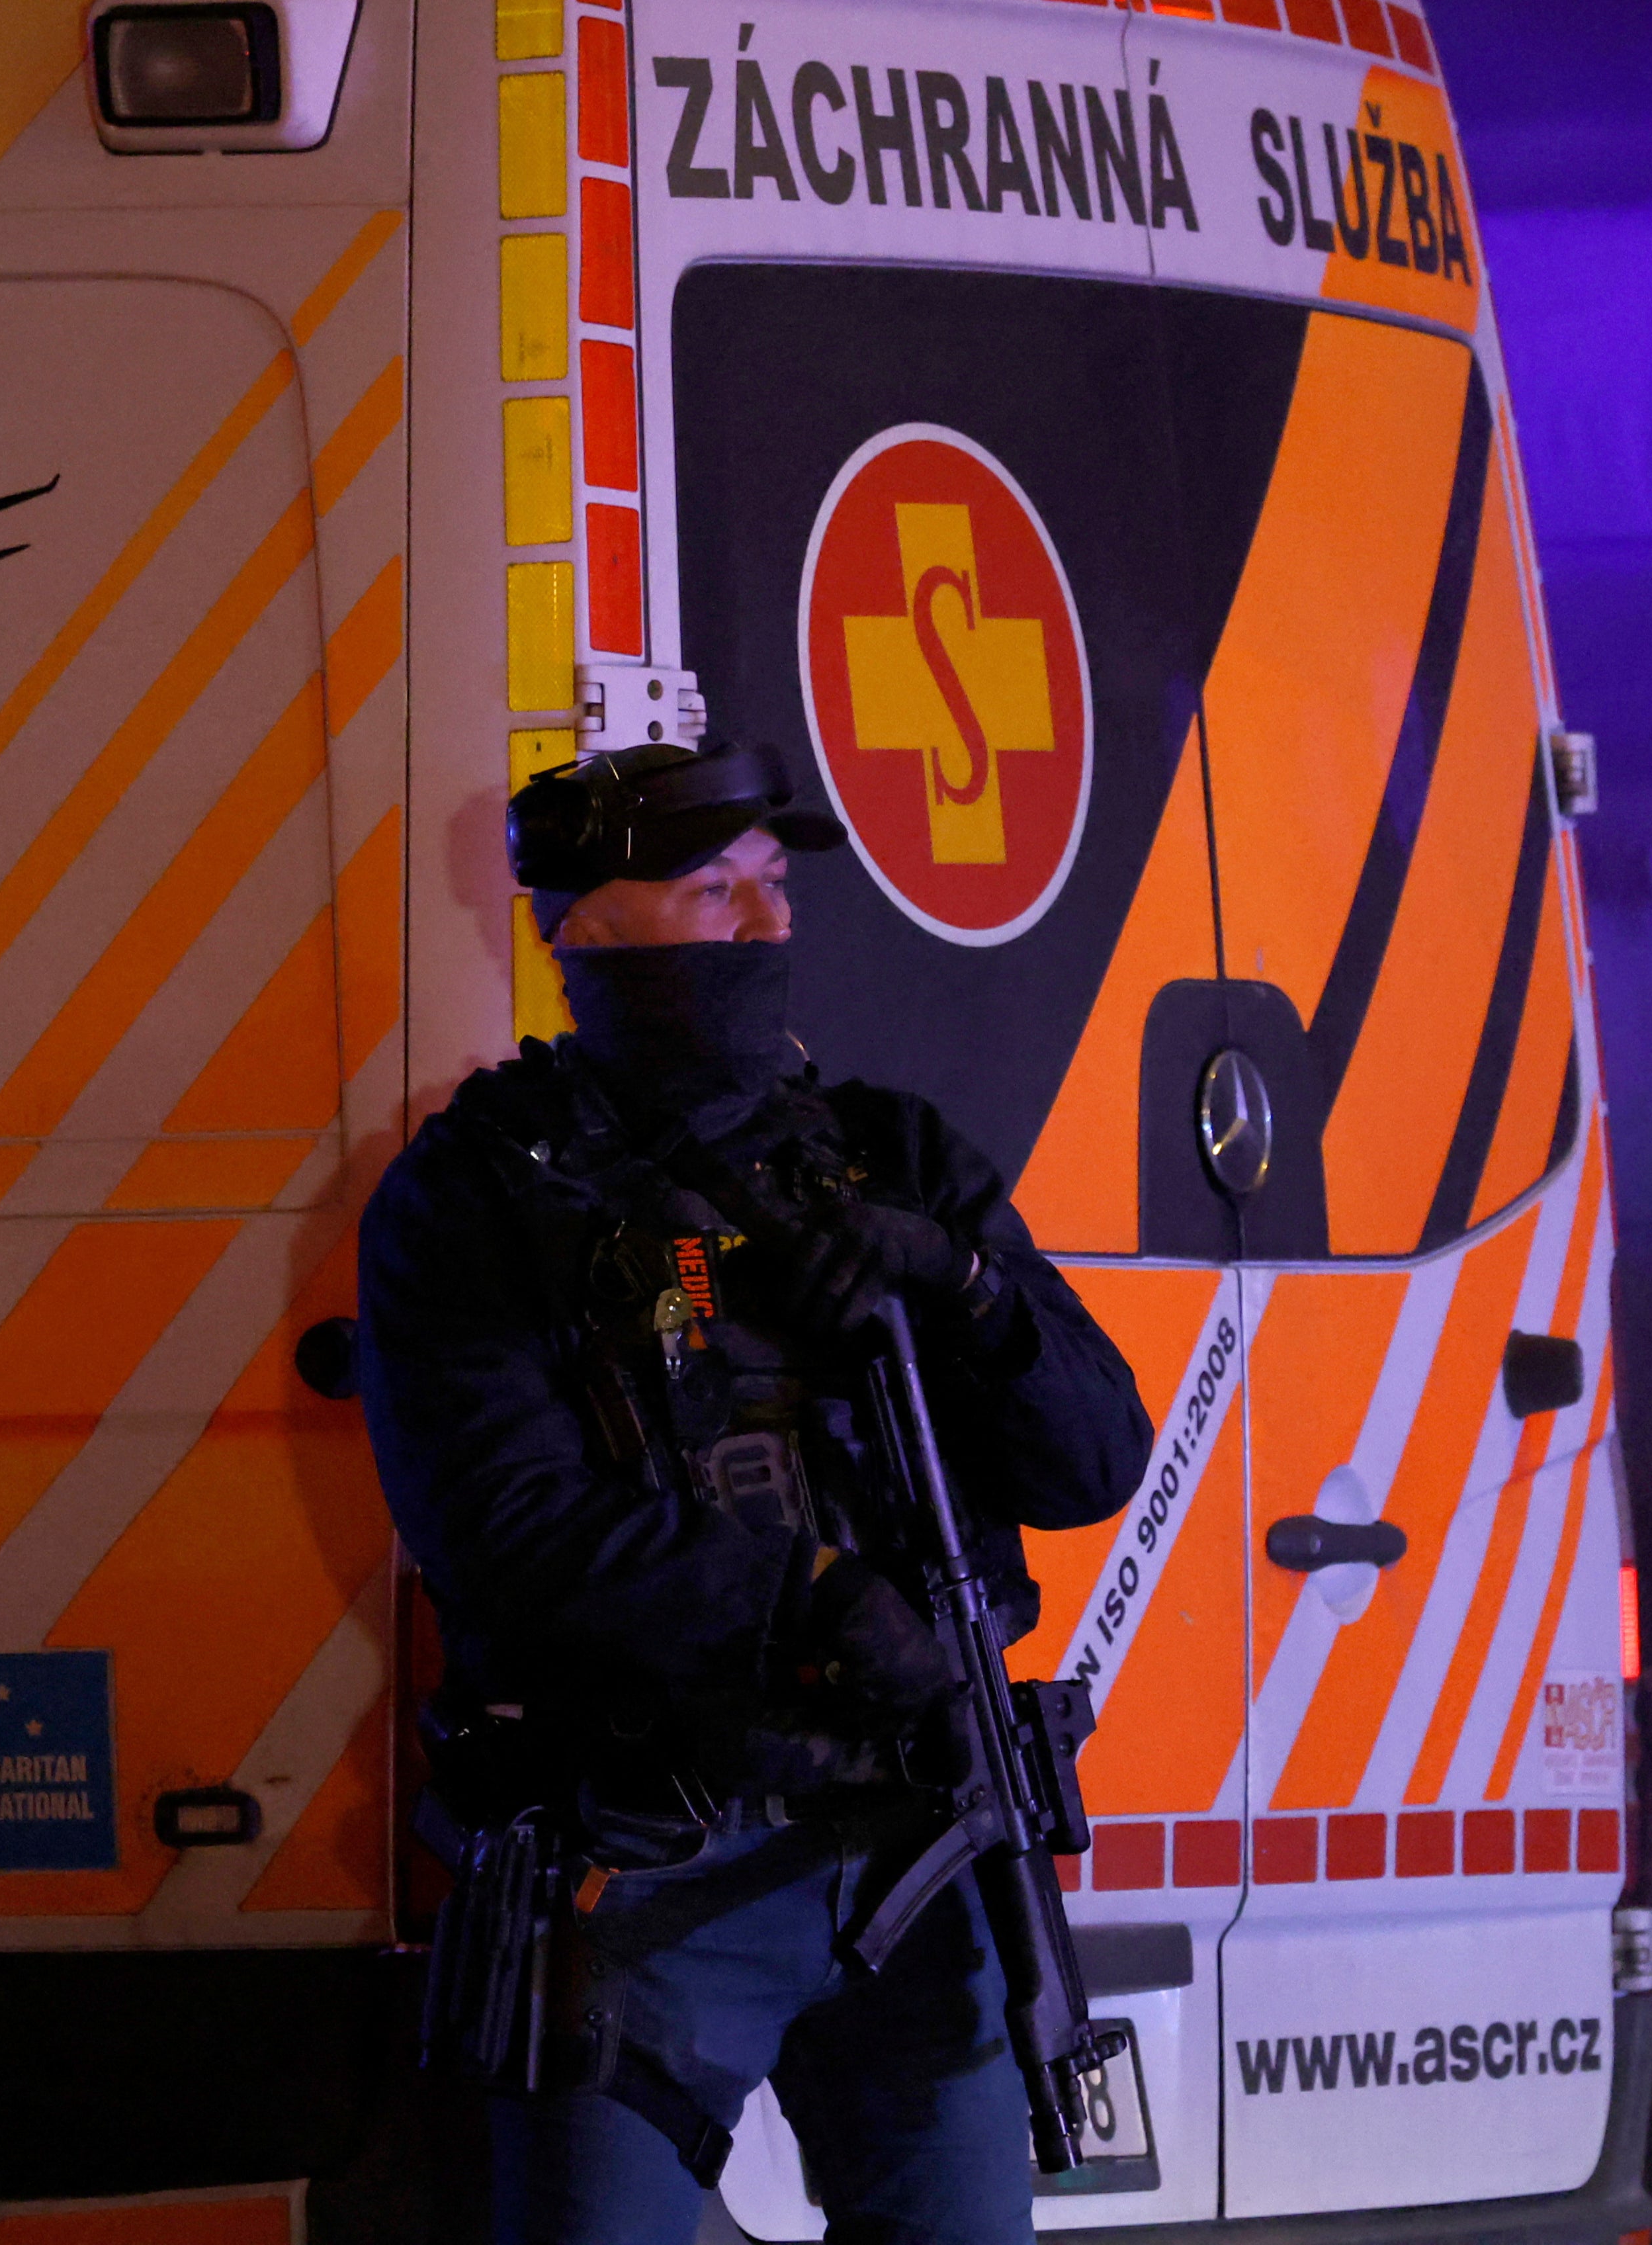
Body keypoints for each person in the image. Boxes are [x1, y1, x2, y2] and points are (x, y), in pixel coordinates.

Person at [352, 740, 1154, 2245]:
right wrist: (805, 1599)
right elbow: (505, 1526)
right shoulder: (479, 1195)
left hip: (916, 1846)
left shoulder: (889, 1156)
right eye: (709, 891)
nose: (758, 926)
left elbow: (1093, 1458)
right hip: (652, 1863)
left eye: (771, 889)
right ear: (583, 927)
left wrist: (966, 1285)